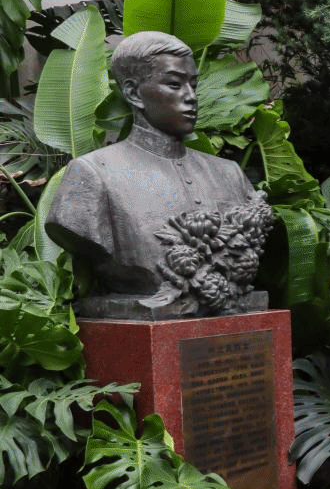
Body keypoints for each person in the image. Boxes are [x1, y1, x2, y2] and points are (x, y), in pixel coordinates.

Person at [45, 31, 259, 311]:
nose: (191, 97)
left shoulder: (230, 174)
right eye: (174, 85)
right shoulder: (92, 173)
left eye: (193, 85)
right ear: (134, 93)